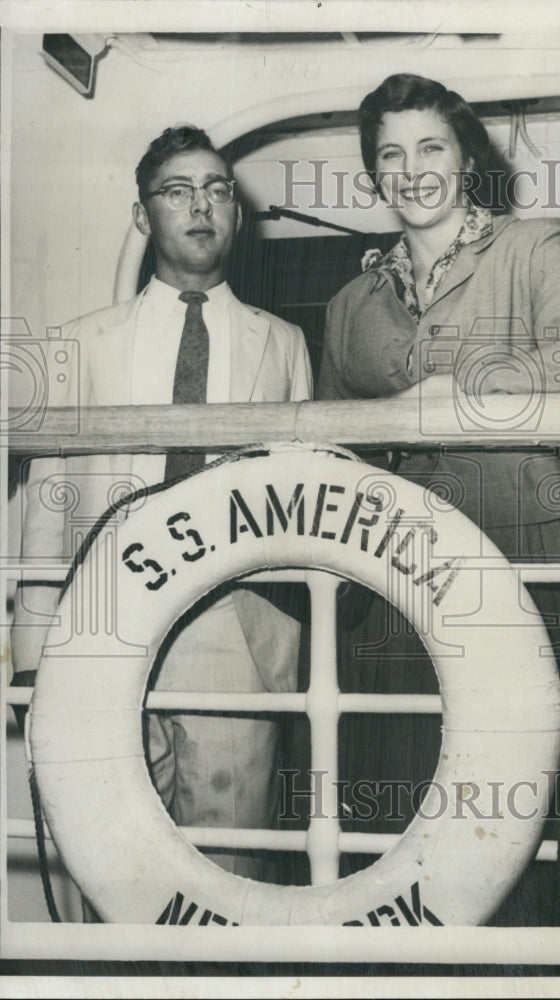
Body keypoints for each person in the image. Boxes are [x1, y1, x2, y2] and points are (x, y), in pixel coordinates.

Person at [317, 74, 560, 927]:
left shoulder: (534, 245)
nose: (412, 169)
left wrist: (455, 391)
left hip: (525, 557)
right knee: (412, 802)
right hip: (392, 582)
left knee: (538, 805)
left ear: (466, 158)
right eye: (390, 154)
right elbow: (333, 455)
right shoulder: (348, 305)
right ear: (373, 174)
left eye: (430, 147)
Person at [11, 124, 313, 898]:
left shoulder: (282, 345)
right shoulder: (80, 344)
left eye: (217, 190)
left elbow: (302, 507)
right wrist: (31, 656)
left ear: (237, 216)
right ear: (144, 216)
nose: (200, 206)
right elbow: (52, 508)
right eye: (177, 191)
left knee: (230, 875)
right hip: (102, 632)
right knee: (108, 873)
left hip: (235, 642)